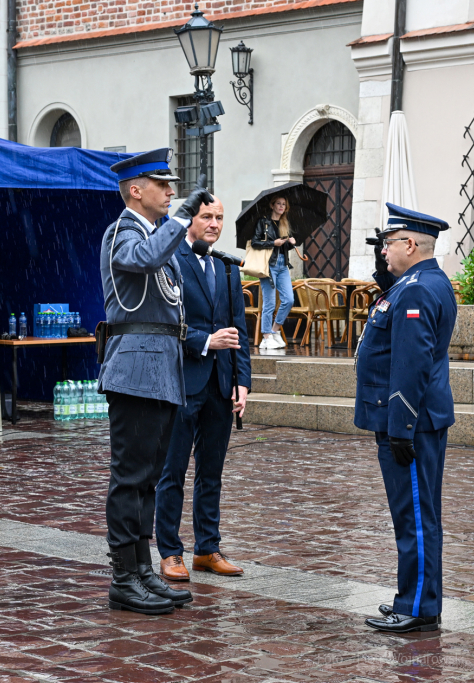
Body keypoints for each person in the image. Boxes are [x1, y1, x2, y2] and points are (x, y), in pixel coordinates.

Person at [97, 148, 211, 615]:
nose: (171, 191)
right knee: (130, 479)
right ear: (135, 190)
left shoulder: (155, 233)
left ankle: (142, 570)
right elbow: (140, 260)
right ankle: (124, 577)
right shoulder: (122, 230)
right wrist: (180, 219)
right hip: (135, 370)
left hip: (162, 370)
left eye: (172, 186)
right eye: (162, 185)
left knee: (149, 480)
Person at [354, 204, 456, 634]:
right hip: (415, 419)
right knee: (417, 515)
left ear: (410, 244)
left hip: (410, 422)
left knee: (414, 516)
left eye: (388, 243)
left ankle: (416, 606)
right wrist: (387, 283)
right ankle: (415, 598)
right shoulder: (420, 282)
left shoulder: (415, 289)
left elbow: (411, 364)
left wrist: (402, 425)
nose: (383, 251)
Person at [154, 195, 251, 581]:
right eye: (207, 216)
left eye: (220, 218)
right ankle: (170, 551)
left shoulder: (227, 267)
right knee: (172, 471)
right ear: (189, 219)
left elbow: (239, 330)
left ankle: (207, 549)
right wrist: (206, 340)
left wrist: (242, 381)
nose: (214, 223)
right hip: (182, 379)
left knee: (211, 472)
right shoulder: (170, 260)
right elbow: (165, 324)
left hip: (220, 383)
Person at [251, 196, 295, 350]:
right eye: (278, 204)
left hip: (283, 265)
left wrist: (290, 244)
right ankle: (266, 337)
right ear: (272, 205)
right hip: (268, 265)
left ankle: (274, 330)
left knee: (289, 299)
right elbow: (255, 242)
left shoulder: (284, 224)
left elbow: (282, 248)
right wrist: (272, 243)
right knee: (269, 303)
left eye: (284, 204)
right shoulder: (263, 222)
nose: (281, 206)